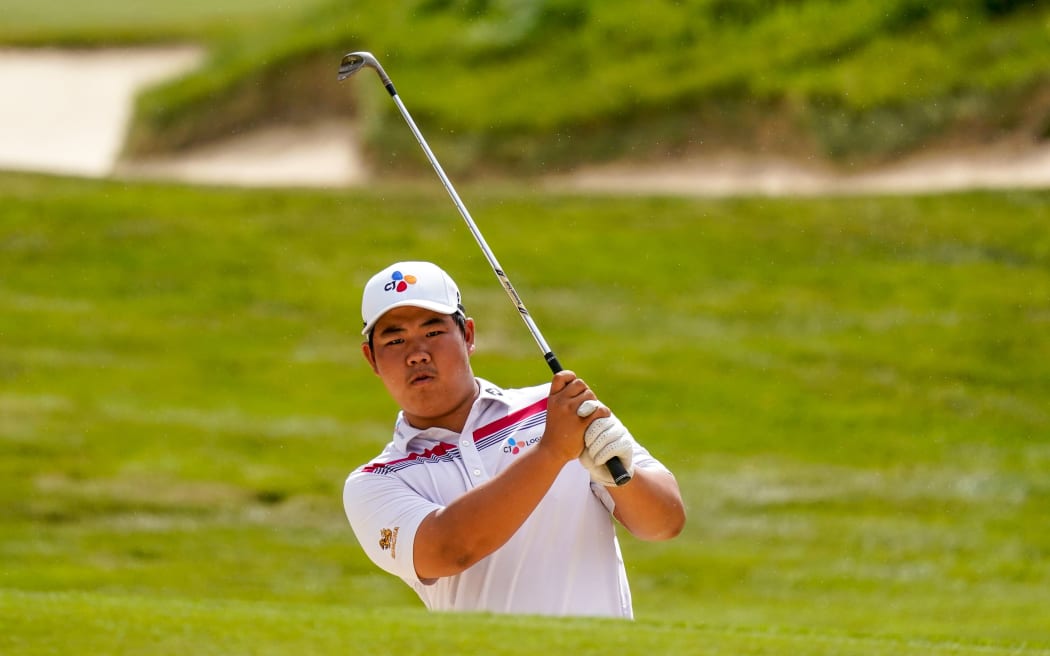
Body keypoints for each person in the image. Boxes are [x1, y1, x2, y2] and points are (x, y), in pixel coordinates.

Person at [343, 261, 685, 618]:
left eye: (433, 332)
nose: (417, 354)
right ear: (371, 358)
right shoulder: (376, 481)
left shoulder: (554, 410)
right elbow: (448, 550)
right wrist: (552, 452)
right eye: (395, 340)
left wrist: (621, 477)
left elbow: (665, 523)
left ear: (468, 335)